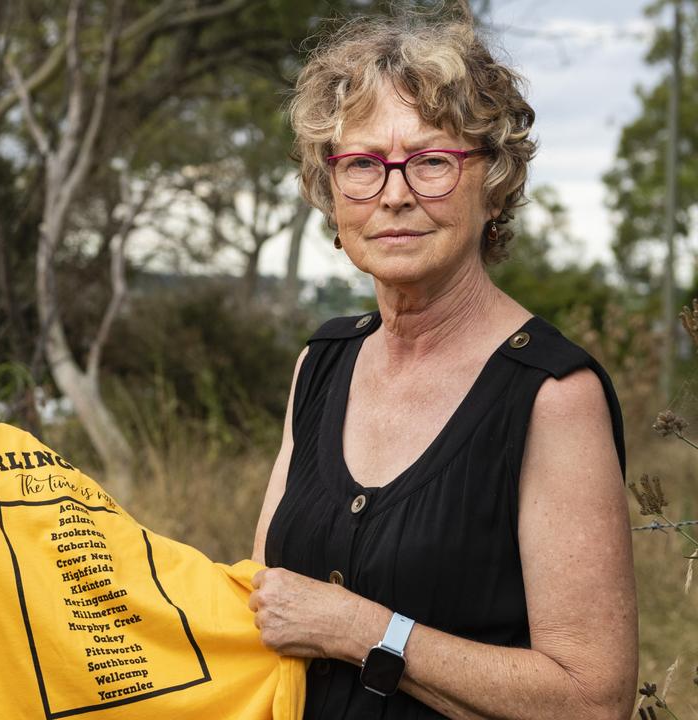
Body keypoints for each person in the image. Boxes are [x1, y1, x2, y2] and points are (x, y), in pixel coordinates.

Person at [247, 13, 636, 720]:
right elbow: (265, 603)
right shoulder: (322, 363)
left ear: (492, 182)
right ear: (330, 194)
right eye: (362, 164)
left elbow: (592, 699)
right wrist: (2, 478)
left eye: (431, 162)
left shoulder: (550, 394)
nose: (395, 194)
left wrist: (362, 630)